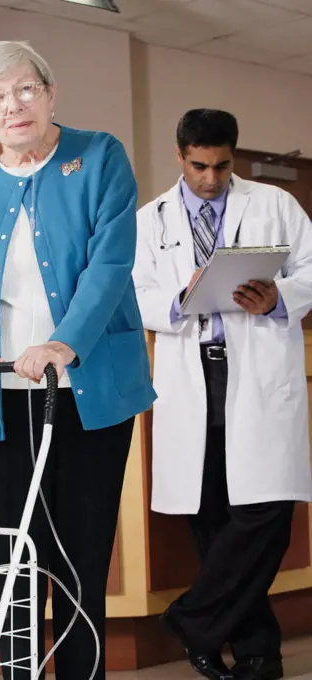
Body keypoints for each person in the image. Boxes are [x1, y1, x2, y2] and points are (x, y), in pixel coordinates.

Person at [0, 40, 155, 680]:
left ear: (49, 92)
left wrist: (62, 344)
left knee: (79, 564)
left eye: (24, 89)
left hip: (85, 394)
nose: (12, 106)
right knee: (8, 570)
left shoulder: (99, 156)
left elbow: (110, 262)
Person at [133, 109, 312, 680]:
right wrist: (177, 301)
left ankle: (192, 618)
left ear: (235, 156)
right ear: (180, 154)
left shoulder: (275, 205)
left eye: (222, 165)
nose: (211, 178)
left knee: (265, 512)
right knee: (211, 514)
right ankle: (256, 655)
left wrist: (278, 297)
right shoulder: (149, 220)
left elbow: (311, 266)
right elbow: (132, 291)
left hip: (256, 370)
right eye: (199, 165)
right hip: (193, 372)